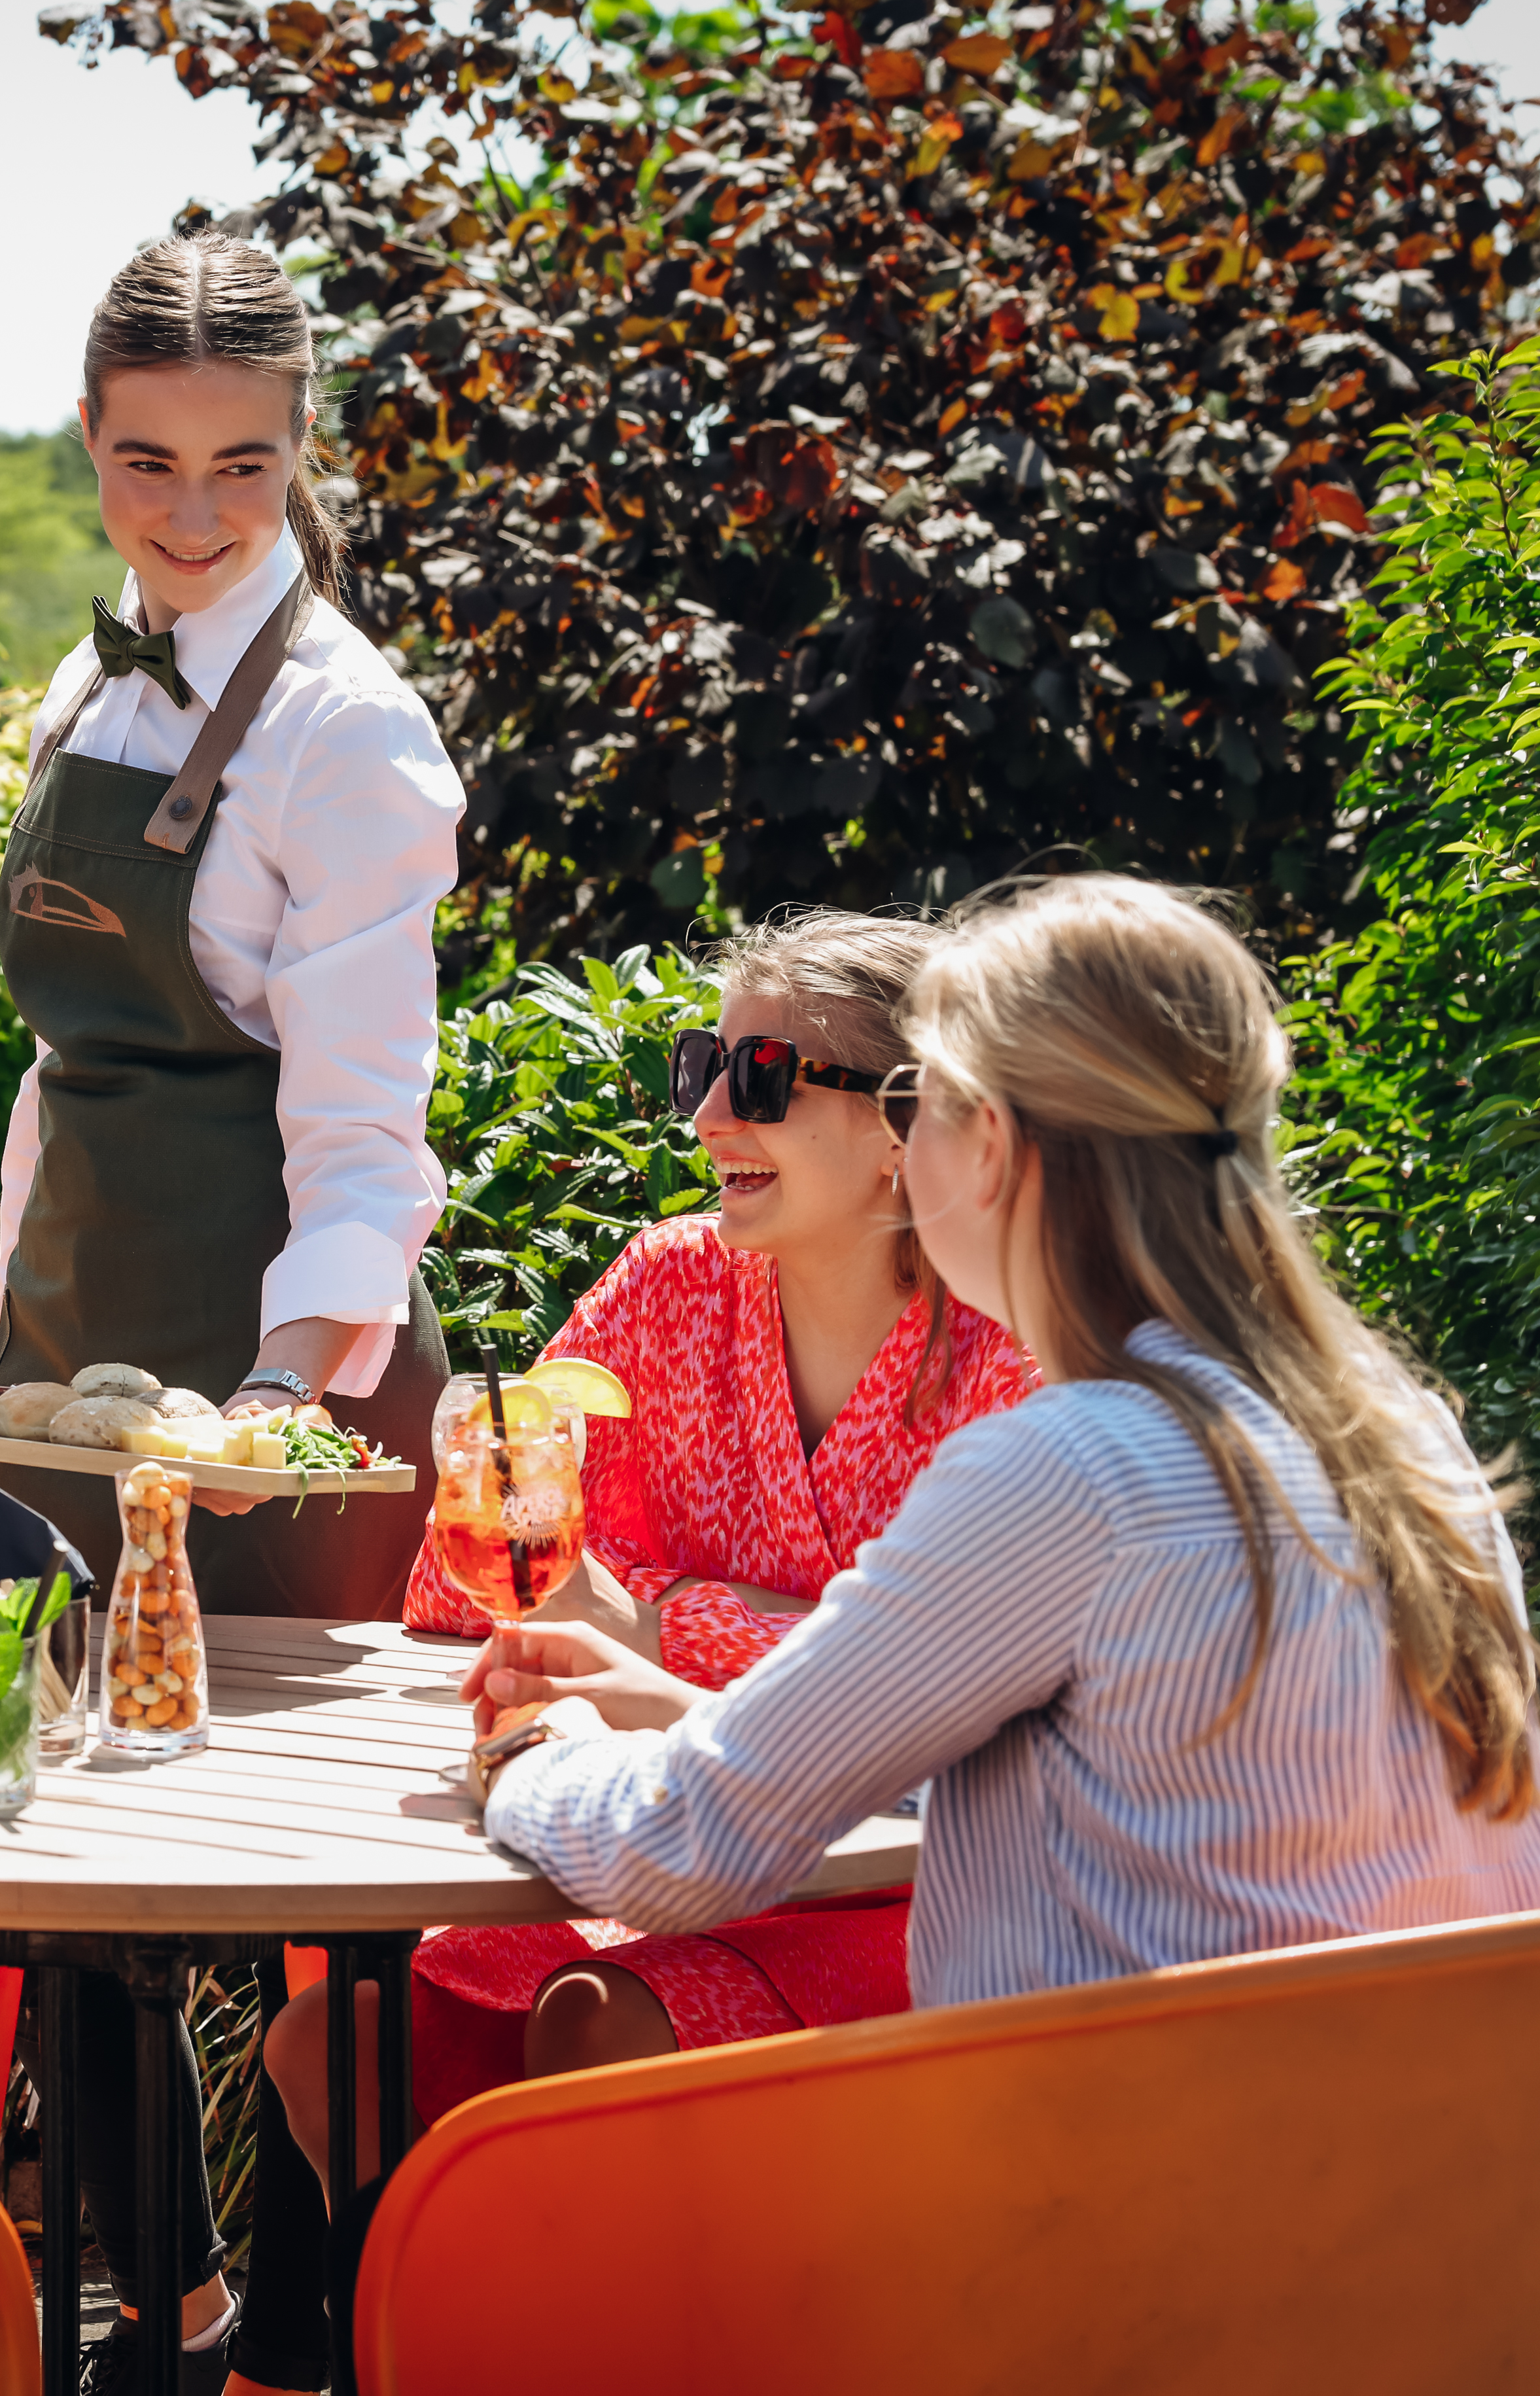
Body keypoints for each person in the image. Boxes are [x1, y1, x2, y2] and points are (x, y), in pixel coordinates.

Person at [469, 870, 1540, 2114]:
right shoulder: (1394, 1438)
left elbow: (681, 1846)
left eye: (916, 1097)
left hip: (1139, 2222)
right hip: (1446, 2201)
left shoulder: (1074, 1466)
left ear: (983, 1143)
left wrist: (533, 1756)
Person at [245, 914, 1037, 2302]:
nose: (713, 1112)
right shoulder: (668, 1287)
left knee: (601, 2021)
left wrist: (659, 1623)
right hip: (659, 1849)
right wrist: (711, 1610)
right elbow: (468, 1582)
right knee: (340, 2039)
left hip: (928, 1883)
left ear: (904, 1127)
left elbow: (940, 1695)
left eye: (769, 1074)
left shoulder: (1009, 1348)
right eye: (702, 1064)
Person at [0, 228, 461, 2396]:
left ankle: (322, 2337)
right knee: (64, 1867)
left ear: (300, 457)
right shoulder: (92, 686)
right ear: (87, 444)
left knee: (277, 1897)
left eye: (241, 467)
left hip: (274, 1371)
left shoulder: (349, 737)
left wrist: (278, 1399)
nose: (190, 510)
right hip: (65, 1353)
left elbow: (364, 1131)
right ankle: (129, 2327)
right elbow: (71, 1069)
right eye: (148, 460)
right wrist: (12, 1316)